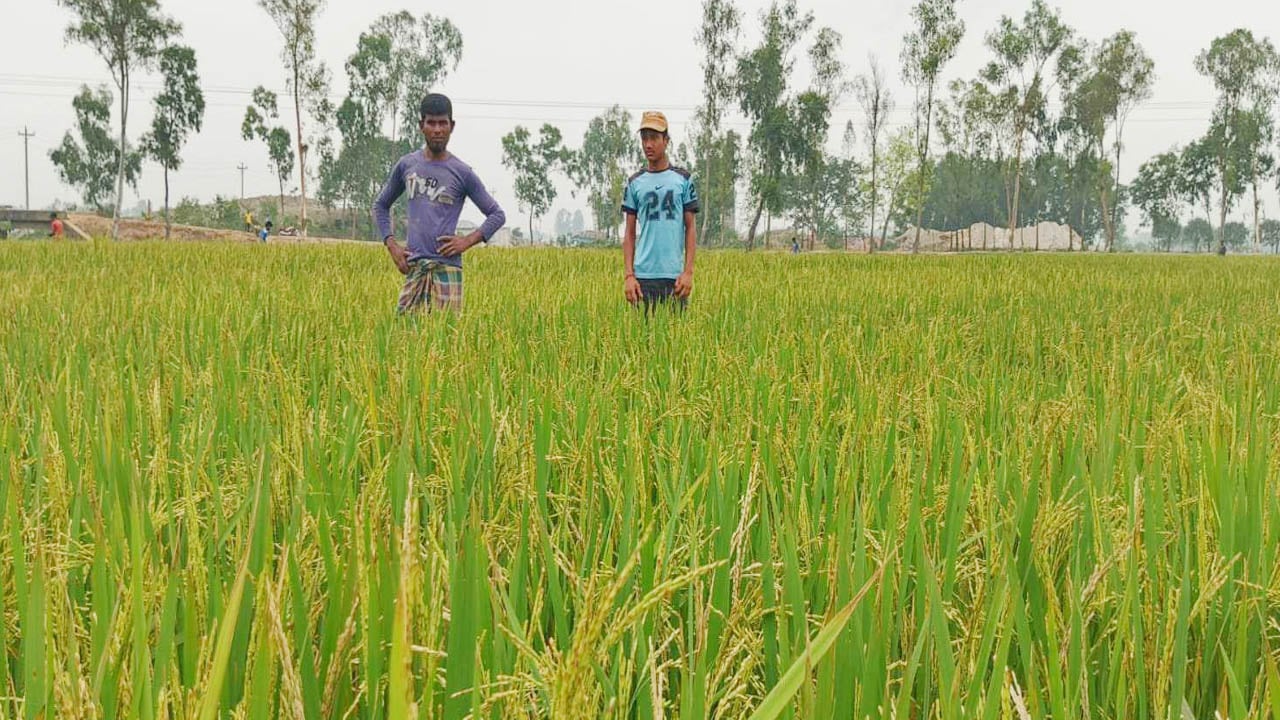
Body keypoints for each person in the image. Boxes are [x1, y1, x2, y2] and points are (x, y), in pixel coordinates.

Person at [372, 93, 506, 314]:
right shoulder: (407, 165)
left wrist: (466, 241)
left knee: (447, 338)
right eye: (431, 123)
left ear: (451, 126)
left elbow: (497, 215)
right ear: (421, 125)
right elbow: (381, 205)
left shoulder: (462, 172)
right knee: (404, 338)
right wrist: (392, 245)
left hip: (448, 269)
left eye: (442, 123)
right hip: (415, 268)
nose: (437, 129)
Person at [621, 111, 698, 314]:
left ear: (666, 141)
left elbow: (690, 227)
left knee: (676, 342)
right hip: (643, 278)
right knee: (642, 343)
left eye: (654, 138)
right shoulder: (634, 183)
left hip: (675, 279)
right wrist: (629, 276)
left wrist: (688, 272)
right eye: (644, 138)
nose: (648, 144)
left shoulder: (683, 180)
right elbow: (629, 233)